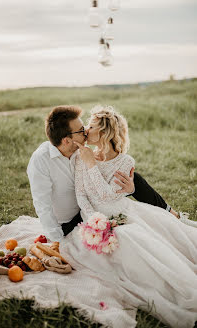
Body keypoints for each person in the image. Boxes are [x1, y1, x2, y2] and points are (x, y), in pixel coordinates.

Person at [59, 105, 197, 328]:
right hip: (94, 219)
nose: (85, 129)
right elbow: (81, 194)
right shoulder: (81, 156)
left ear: (103, 133)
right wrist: (94, 221)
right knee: (117, 246)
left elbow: (106, 195)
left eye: (91, 126)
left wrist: (92, 165)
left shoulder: (125, 162)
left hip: (123, 213)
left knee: (138, 241)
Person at [27, 105, 196, 243]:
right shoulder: (42, 160)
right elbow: (42, 205)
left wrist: (130, 189)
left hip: (97, 201)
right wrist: (57, 240)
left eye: (87, 127)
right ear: (66, 140)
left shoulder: (82, 151)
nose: (85, 130)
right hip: (75, 217)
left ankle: (173, 215)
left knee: (134, 179)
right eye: (81, 130)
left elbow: (105, 178)